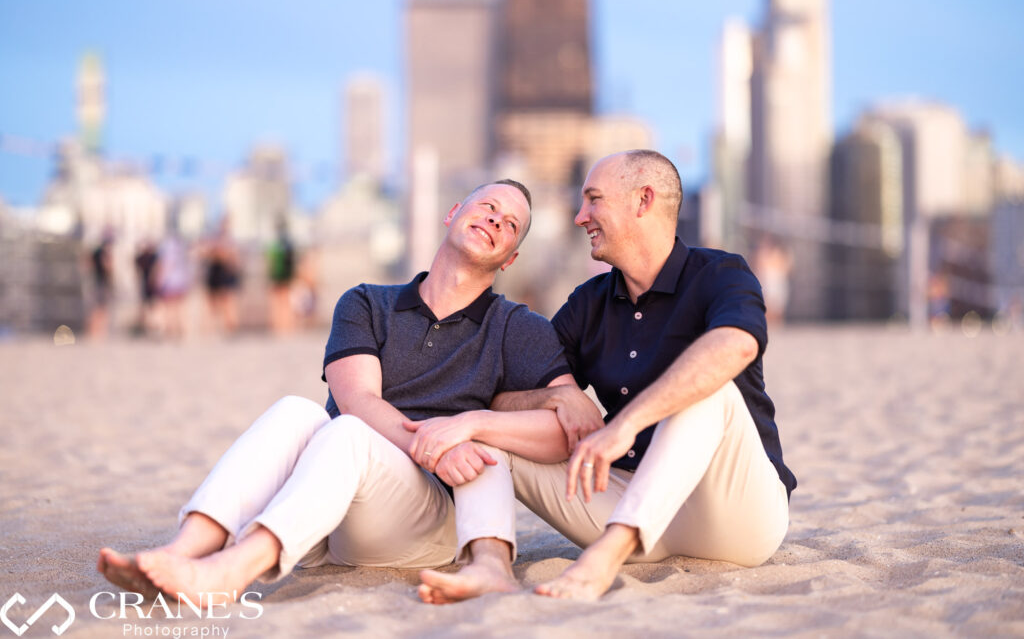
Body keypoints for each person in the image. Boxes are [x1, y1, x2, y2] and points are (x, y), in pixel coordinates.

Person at [97, 180, 595, 606]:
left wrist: (463, 435)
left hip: (419, 521)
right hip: (323, 511)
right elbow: (358, 399)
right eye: (488, 207)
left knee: (349, 435)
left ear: (510, 258)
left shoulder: (517, 326)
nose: (495, 220)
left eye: (510, 224)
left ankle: (230, 572)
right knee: (299, 411)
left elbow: (564, 426)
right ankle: (183, 551)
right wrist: (429, 442)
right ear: (453, 213)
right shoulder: (366, 302)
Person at [414, 150, 796, 603]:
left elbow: (737, 345)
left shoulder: (721, 272)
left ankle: (601, 562)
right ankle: (490, 567)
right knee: (485, 440)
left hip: (734, 515)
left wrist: (626, 424)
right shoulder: (588, 303)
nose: (580, 217)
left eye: (593, 200)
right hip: (625, 500)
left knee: (709, 389)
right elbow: (505, 395)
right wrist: (555, 400)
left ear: (643, 200)